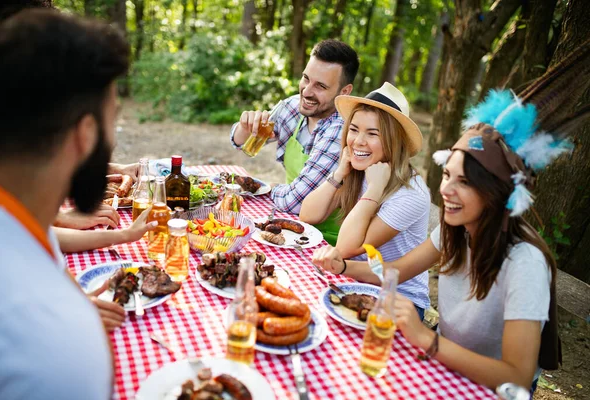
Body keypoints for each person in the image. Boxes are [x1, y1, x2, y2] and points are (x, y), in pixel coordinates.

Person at [311, 69, 585, 388]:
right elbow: (397, 270)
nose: (446, 191)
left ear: (496, 192)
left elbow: (517, 376)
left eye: (464, 182)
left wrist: (425, 337)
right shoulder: (457, 228)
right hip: (444, 362)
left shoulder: (525, 262)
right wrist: (344, 266)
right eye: (447, 175)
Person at [0, 9, 130, 398]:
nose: (112, 141)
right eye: (111, 121)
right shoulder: (53, 347)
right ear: (85, 134)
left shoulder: (16, 222)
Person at [300, 82, 430, 318]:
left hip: (399, 299)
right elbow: (308, 215)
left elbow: (346, 248)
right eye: (354, 129)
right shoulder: (359, 168)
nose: (358, 141)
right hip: (354, 282)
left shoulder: (410, 194)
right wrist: (339, 173)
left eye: (372, 133)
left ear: (394, 142)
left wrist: (377, 188)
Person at [230, 39, 359, 245]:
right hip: (290, 226)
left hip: (331, 240)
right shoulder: (294, 107)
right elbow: (238, 142)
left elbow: (295, 201)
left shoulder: (341, 130)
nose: (307, 91)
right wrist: (244, 128)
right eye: (306, 78)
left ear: (344, 92)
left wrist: (270, 187)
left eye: (320, 86)